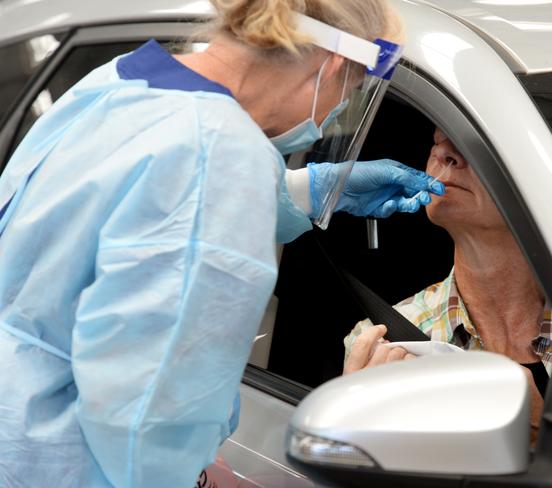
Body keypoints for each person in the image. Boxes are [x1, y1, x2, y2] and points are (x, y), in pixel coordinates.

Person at [0, 2, 446, 487]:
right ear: (332, 65)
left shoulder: (117, 83)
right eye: (351, 91)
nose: (334, 112)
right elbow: (150, 410)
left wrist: (307, 190)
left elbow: (135, 216)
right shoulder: (220, 153)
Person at [343, 128, 552, 445]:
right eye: (437, 141)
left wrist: (543, 434)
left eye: (476, 143)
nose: (442, 154)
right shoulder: (383, 340)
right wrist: (356, 433)